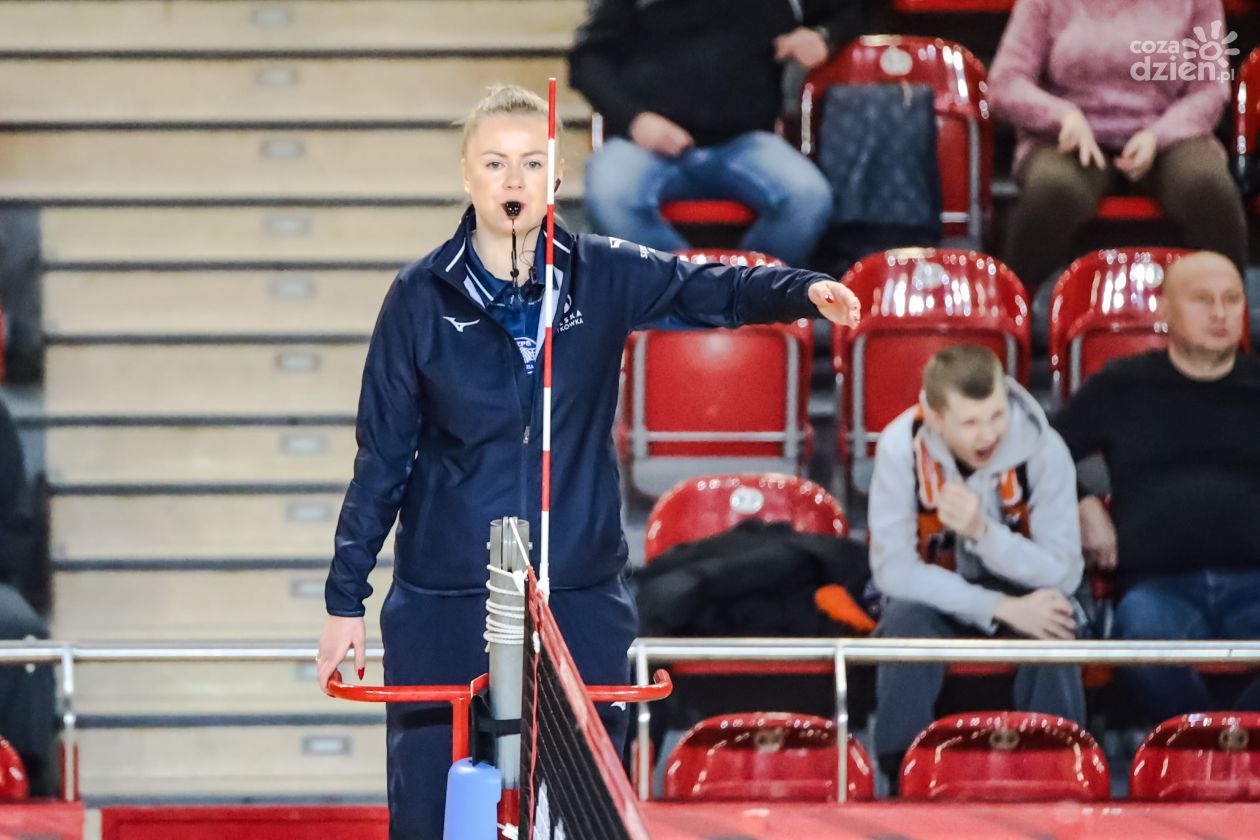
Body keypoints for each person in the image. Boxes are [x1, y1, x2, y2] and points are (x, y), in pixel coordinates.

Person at [315, 85, 861, 839]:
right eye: (494, 163)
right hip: (445, 591)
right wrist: (344, 600)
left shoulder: (600, 272)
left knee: (583, 814)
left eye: (531, 162)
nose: (513, 180)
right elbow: (381, 459)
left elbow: (710, 286)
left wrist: (802, 290)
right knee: (433, 814)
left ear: (557, 175)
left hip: (575, 587)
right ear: (467, 175)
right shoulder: (417, 297)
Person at [1054, 251, 1260, 723]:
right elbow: (1042, 450)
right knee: (1140, 642)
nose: (1220, 312)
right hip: (1158, 588)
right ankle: (1207, 743)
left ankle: (1234, 742)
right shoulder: (1123, 385)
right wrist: (1082, 500)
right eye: (1203, 299)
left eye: (1231, 299)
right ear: (1165, 309)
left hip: (1255, 581)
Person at [867, 344, 1085, 783]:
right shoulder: (900, 446)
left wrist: (984, 534)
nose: (988, 436)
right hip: (933, 595)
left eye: (996, 415)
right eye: (970, 423)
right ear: (936, 418)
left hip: (1025, 588)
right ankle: (902, 775)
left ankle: (1060, 769)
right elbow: (893, 572)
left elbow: (1064, 571)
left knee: (1056, 617)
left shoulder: (1045, 449)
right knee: (905, 622)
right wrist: (997, 607)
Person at [568, 0, 863, 267]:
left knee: (808, 197)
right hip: (646, 144)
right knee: (609, 194)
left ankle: (745, 292)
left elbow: (857, 12)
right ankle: (684, 291)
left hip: (745, 142)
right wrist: (636, 120)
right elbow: (586, 60)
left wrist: (825, 36)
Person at [989, 0, 1248, 292]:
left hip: (1168, 131)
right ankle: (1012, 304)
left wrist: (1158, 135)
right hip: (1073, 137)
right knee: (1053, 191)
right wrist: (1061, 116)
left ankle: (1231, 307)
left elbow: (1211, 88)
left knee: (1207, 187)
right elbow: (1005, 83)